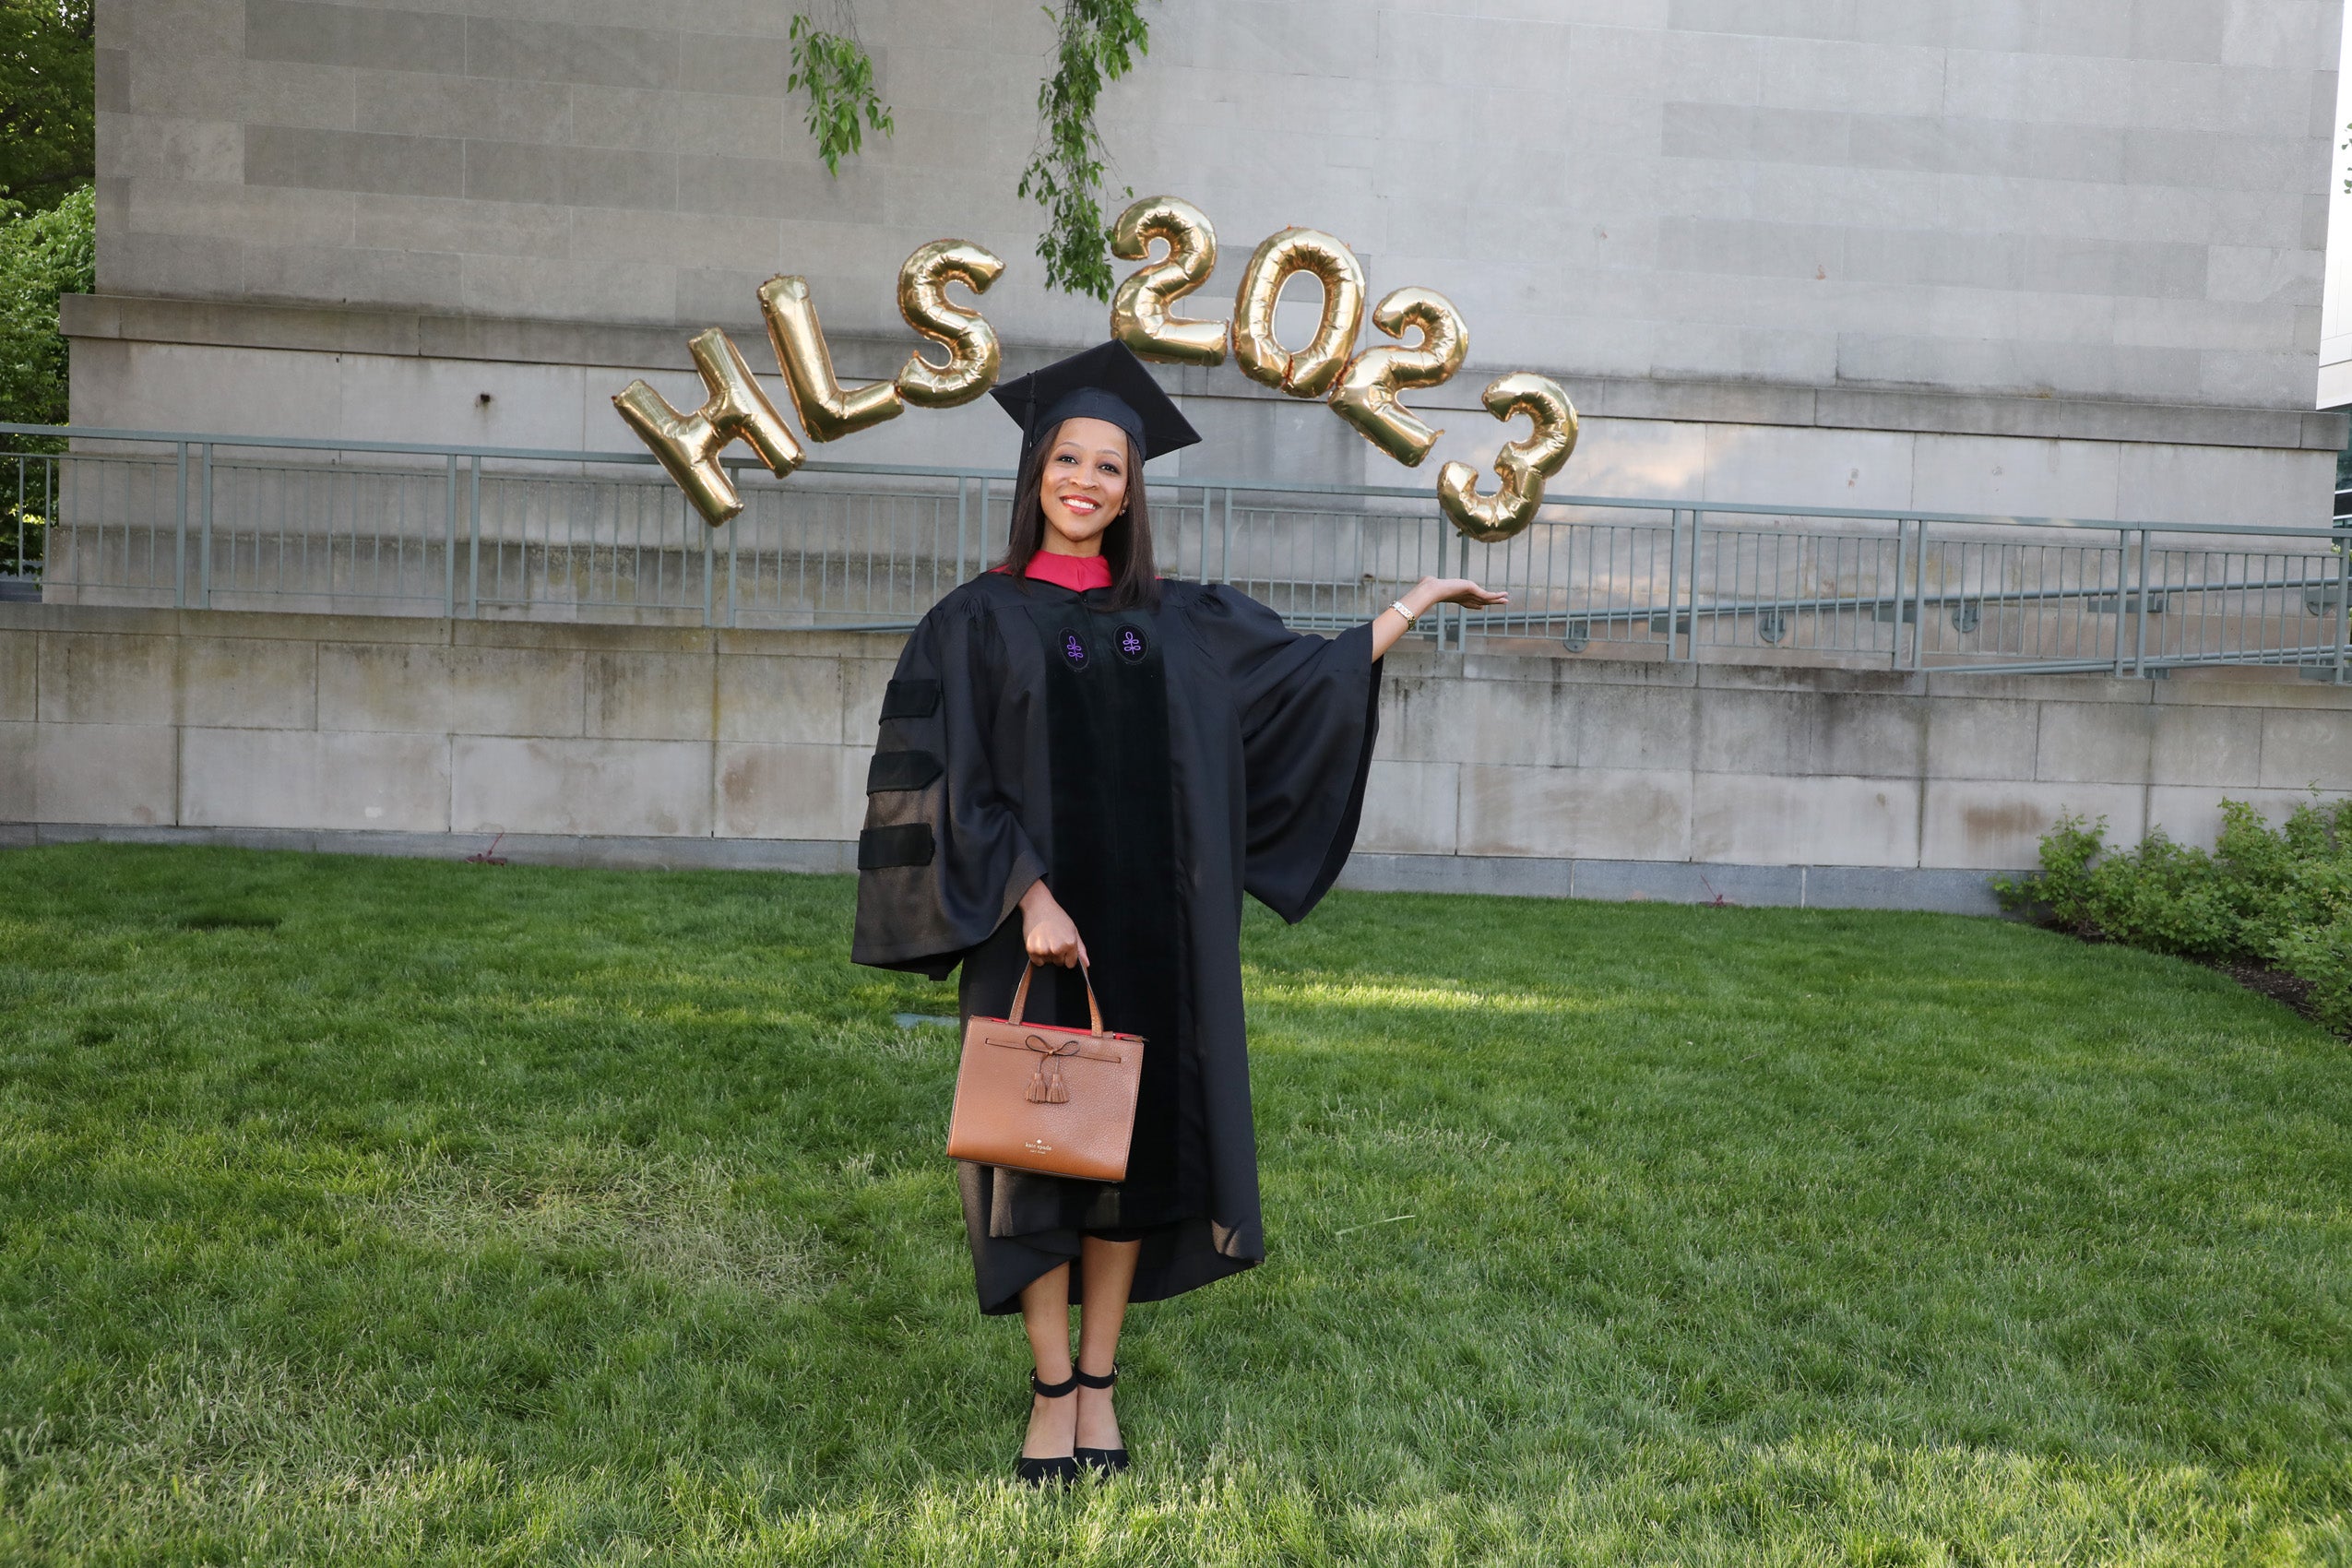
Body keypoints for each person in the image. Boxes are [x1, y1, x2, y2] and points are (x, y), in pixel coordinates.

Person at [850, 341, 1503, 1483]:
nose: (1086, 481)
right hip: (1030, 932)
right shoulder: (973, 620)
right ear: (1036, 472)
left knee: (1130, 1164)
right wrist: (1029, 894)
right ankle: (1050, 1391)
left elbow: (1296, 680)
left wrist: (1409, 605)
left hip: (1155, 935)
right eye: (1068, 459)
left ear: (1130, 491)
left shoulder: (1178, 619)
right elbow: (947, 783)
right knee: (1035, 1163)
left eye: (1109, 466)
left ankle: (1100, 1385)